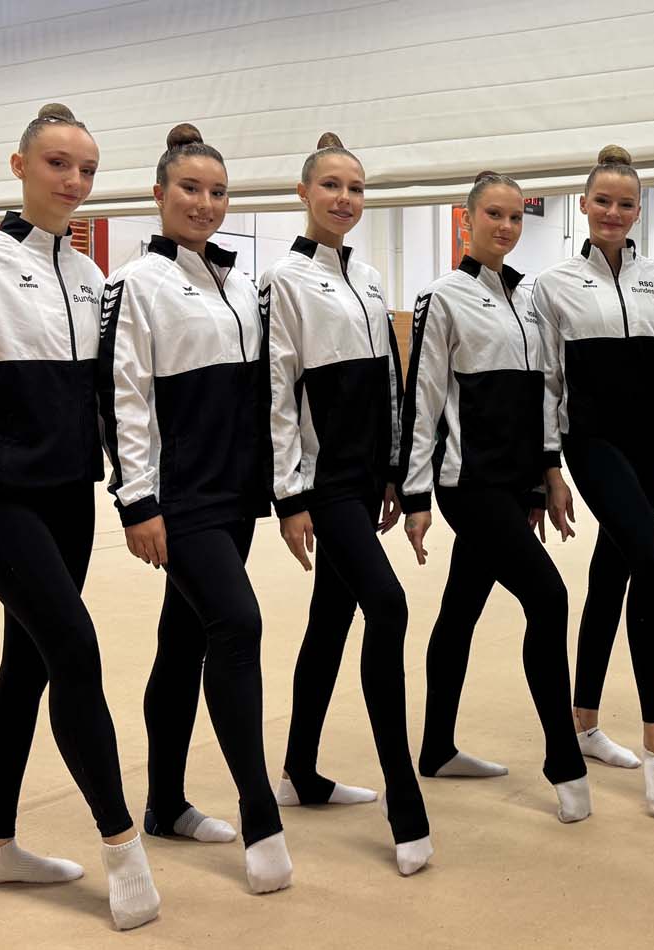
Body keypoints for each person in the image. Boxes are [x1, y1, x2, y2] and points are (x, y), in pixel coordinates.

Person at [0, 103, 159, 930]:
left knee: (27, 668)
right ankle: (122, 845)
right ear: (18, 166)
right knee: (73, 645)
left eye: (87, 169)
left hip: (69, 499)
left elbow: (109, 401)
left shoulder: (94, 279)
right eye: (58, 164)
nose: (74, 182)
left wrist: (131, 488)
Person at [98, 122, 291, 894]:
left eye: (216, 192)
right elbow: (125, 400)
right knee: (237, 625)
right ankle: (260, 816)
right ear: (158, 193)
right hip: (180, 500)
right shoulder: (135, 284)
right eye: (190, 189)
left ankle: (166, 804)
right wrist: (137, 500)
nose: (205, 204)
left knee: (184, 639)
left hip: (236, 493)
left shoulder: (240, 283)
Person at [263, 131, 432, 874]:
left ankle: (301, 770)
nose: (344, 200)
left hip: (366, 482)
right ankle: (405, 798)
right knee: (387, 607)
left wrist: (394, 469)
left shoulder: (367, 279)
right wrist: (288, 492)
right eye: (330, 186)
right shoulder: (283, 280)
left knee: (330, 620)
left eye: (356, 189)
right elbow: (275, 394)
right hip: (323, 482)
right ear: (304, 194)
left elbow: (390, 380)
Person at [400, 171, 592, 822]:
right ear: (468, 219)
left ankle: (436, 748)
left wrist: (545, 476)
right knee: (550, 596)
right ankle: (563, 759)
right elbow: (422, 397)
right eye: (494, 215)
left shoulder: (529, 298)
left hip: (514, 482)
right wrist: (416, 492)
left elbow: (541, 394)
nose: (506, 227)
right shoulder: (441, 297)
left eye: (515, 217)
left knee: (461, 609)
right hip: (466, 482)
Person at [533, 144, 654, 815]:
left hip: (650, 443)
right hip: (590, 440)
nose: (614, 213)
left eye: (626, 204)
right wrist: (548, 463)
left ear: (638, 210)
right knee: (653, 559)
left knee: (614, 571)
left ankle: (583, 720)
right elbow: (547, 380)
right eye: (603, 201)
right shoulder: (554, 284)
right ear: (584, 205)